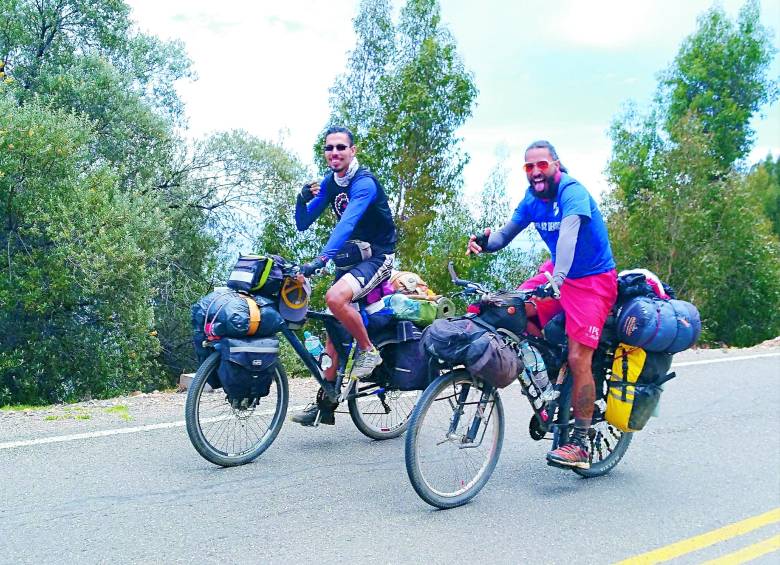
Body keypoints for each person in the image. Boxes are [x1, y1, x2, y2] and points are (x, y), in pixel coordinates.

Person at [467, 140, 617, 469]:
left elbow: (568, 237)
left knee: (579, 357)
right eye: (529, 166)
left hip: (592, 280)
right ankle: (552, 387)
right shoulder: (532, 199)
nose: (535, 171)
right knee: (511, 312)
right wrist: (485, 243)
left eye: (542, 165)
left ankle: (580, 443)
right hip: (557, 274)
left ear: (556, 165)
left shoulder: (572, 193)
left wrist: (557, 279)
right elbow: (504, 235)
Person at [291, 126, 397, 426]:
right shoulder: (330, 183)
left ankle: (368, 350)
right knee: (333, 334)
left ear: (353, 151)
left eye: (340, 147)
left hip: (377, 256)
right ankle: (325, 404)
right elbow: (303, 222)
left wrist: (321, 260)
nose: (334, 152)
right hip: (350, 258)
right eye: (329, 148)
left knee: (335, 298)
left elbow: (346, 224)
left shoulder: (364, 184)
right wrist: (300, 199)